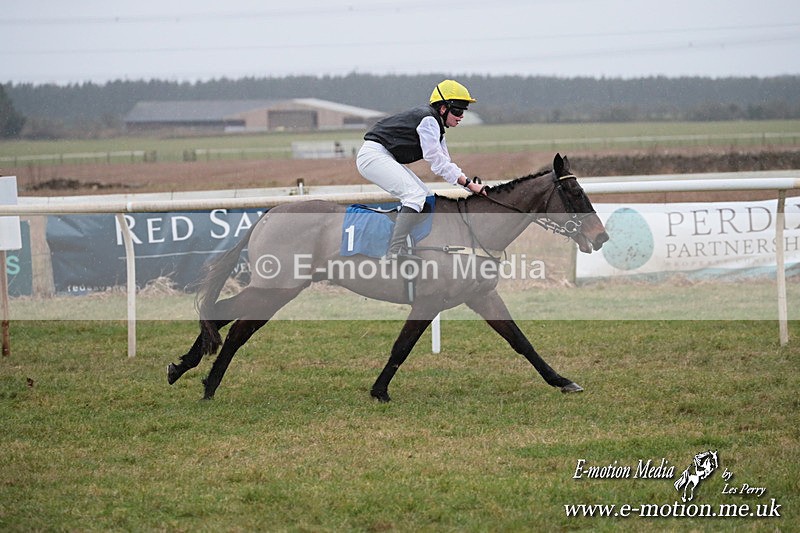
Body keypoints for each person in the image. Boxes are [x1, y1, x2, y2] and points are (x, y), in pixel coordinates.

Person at [356, 79, 484, 258]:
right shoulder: (428, 121)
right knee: (414, 196)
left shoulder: (437, 127)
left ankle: (408, 242)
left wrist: (467, 185)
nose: (461, 116)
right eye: (457, 110)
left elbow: (445, 164)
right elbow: (437, 161)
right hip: (373, 156)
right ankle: (394, 251)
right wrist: (470, 185)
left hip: (383, 156)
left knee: (425, 197)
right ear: (442, 108)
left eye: (463, 111)